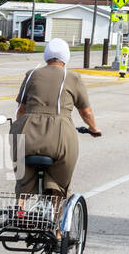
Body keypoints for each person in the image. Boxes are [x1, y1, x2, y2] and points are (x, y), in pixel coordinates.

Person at [8, 39, 101, 204]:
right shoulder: (73, 77)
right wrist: (93, 128)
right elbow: (86, 111)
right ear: (66, 57)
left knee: (23, 179)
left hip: (28, 134)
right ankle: (56, 226)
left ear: (46, 56)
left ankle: (19, 210)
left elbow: (21, 110)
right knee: (59, 183)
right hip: (60, 135)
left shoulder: (31, 75)